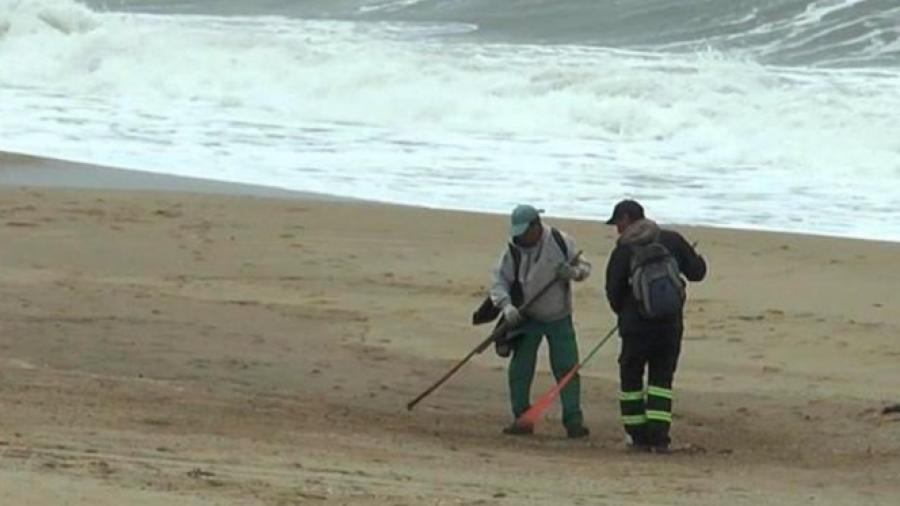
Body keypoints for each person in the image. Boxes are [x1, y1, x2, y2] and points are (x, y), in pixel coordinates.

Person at [603, 200, 707, 453]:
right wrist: (696, 258)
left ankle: (637, 437)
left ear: (627, 218)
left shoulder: (623, 249)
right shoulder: (672, 240)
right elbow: (697, 273)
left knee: (631, 380)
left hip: (635, 327)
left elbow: (613, 290)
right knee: (661, 381)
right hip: (669, 324)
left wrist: (627, 313)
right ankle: (659, 438)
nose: (617, 229)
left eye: (617, 222)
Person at [490, 204, 592, 438]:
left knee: (567, 368)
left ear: (536, 225)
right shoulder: (513, 250)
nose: (521, 237)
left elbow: (585, 267)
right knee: (520, 369)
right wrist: (506, 306)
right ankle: (522, 417)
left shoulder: (560, 241)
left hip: (559, 316)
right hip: (527, 317)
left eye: (524, 231)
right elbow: (499, 281)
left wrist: (574, 273)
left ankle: (573, 421)